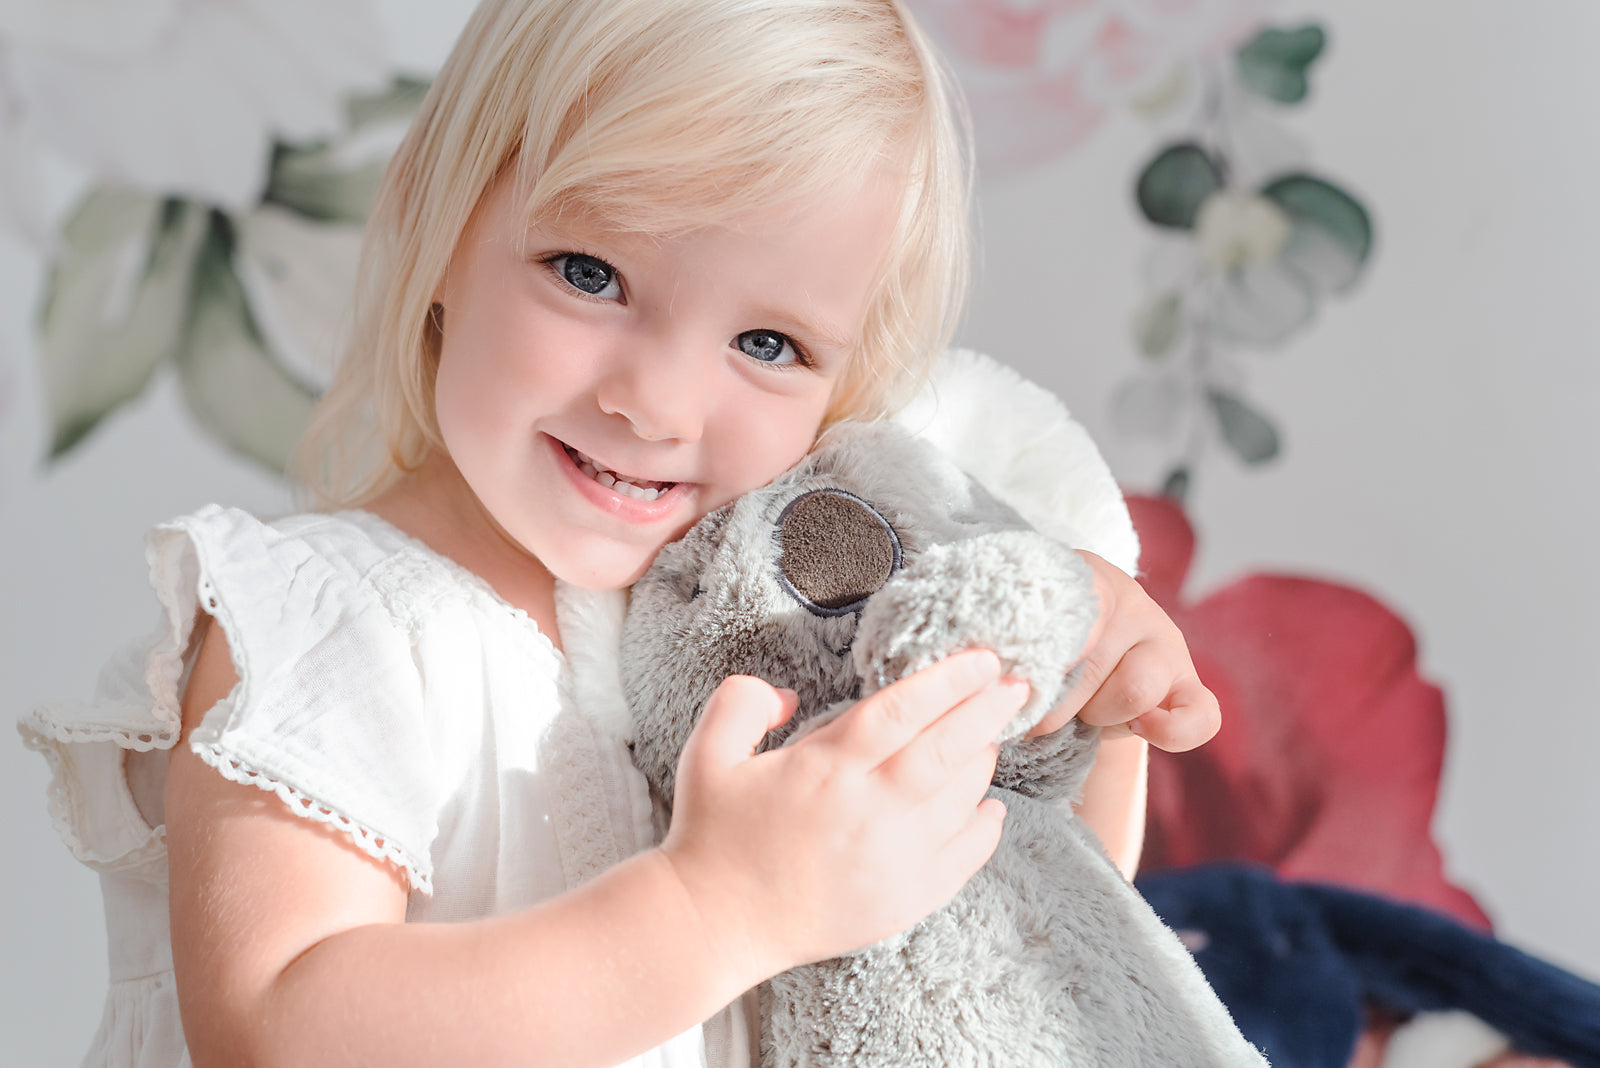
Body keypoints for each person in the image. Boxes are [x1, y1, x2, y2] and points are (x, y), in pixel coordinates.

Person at [19, 1, 1220, 1065]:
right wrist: (713, 912)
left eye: (766, 346)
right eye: (588, 272)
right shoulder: (327, 615)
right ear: (433, 218)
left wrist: (1070, 698)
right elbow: (275, 1028)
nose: (654, 403)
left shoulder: (733, 651)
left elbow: (1003, 918)